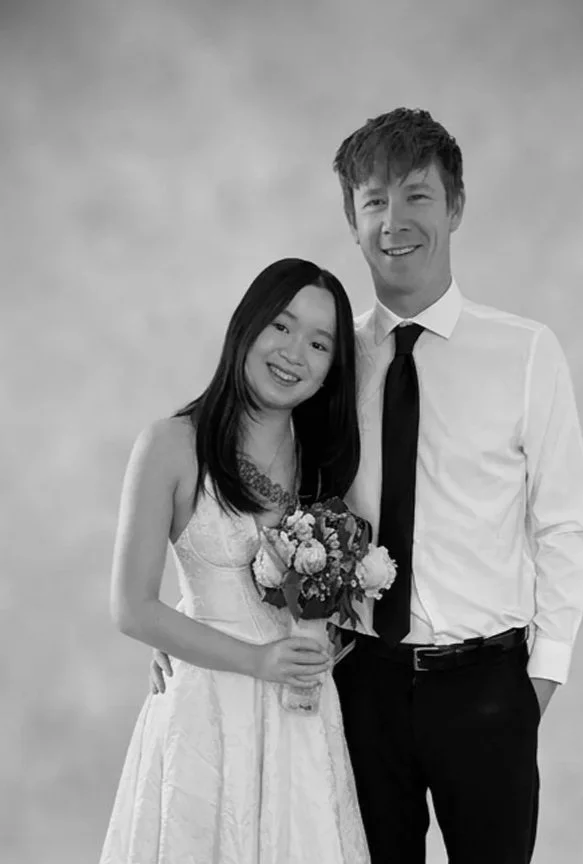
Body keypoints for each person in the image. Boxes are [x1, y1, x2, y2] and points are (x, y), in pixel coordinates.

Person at [329, 108, 583, 863]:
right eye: (373, 200)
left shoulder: (525, 352)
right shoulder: (331, 358)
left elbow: (566, 524)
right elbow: (274, 499)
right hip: (358, 686)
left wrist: (537, 681)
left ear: (455, 206)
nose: (394, 222)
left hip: (486, 686)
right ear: (351, 219)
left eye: (416, 195)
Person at [99, 258, 371, 864]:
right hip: (206, 713)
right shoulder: (171, 445)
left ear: (331, 370)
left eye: (320, 343)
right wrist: (253, 658)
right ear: (245, 327)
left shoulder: (324, 464)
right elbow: (132, 607)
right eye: (281, 325)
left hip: (300, 714)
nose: (294, 352)